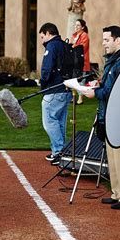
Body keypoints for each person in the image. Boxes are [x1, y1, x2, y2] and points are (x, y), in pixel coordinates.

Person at [83, 26, 120, 210]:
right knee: (113, 158)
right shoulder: (114, 61)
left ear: (118, 40)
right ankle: (117, 193)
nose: (103, 43)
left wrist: (95, 92)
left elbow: (115, 91)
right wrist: (99, 86)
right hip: (109, 116)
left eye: (107, 40)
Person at [39, 22, 72, 164]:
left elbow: (46, 69)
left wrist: (43, 83)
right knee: (60, 122)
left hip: (54, 89)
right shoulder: (65, 45)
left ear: (48, 33)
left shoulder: (51, 46)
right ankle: (58, 151)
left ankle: (59, 152)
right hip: (66, 89)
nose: (42, 40)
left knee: (49, 122)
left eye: (42, 37)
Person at [71, 19, 90, 104]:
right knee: (74, 79)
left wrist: (74, 46)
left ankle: (80, 98)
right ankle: (74, 96)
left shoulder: (84, 35)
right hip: (74, 61)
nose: (76, 26)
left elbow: (82, 47)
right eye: (75, 25)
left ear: (83, 27)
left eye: (78, 25)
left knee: (81, 80)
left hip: (83, 62)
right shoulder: (74, 36)